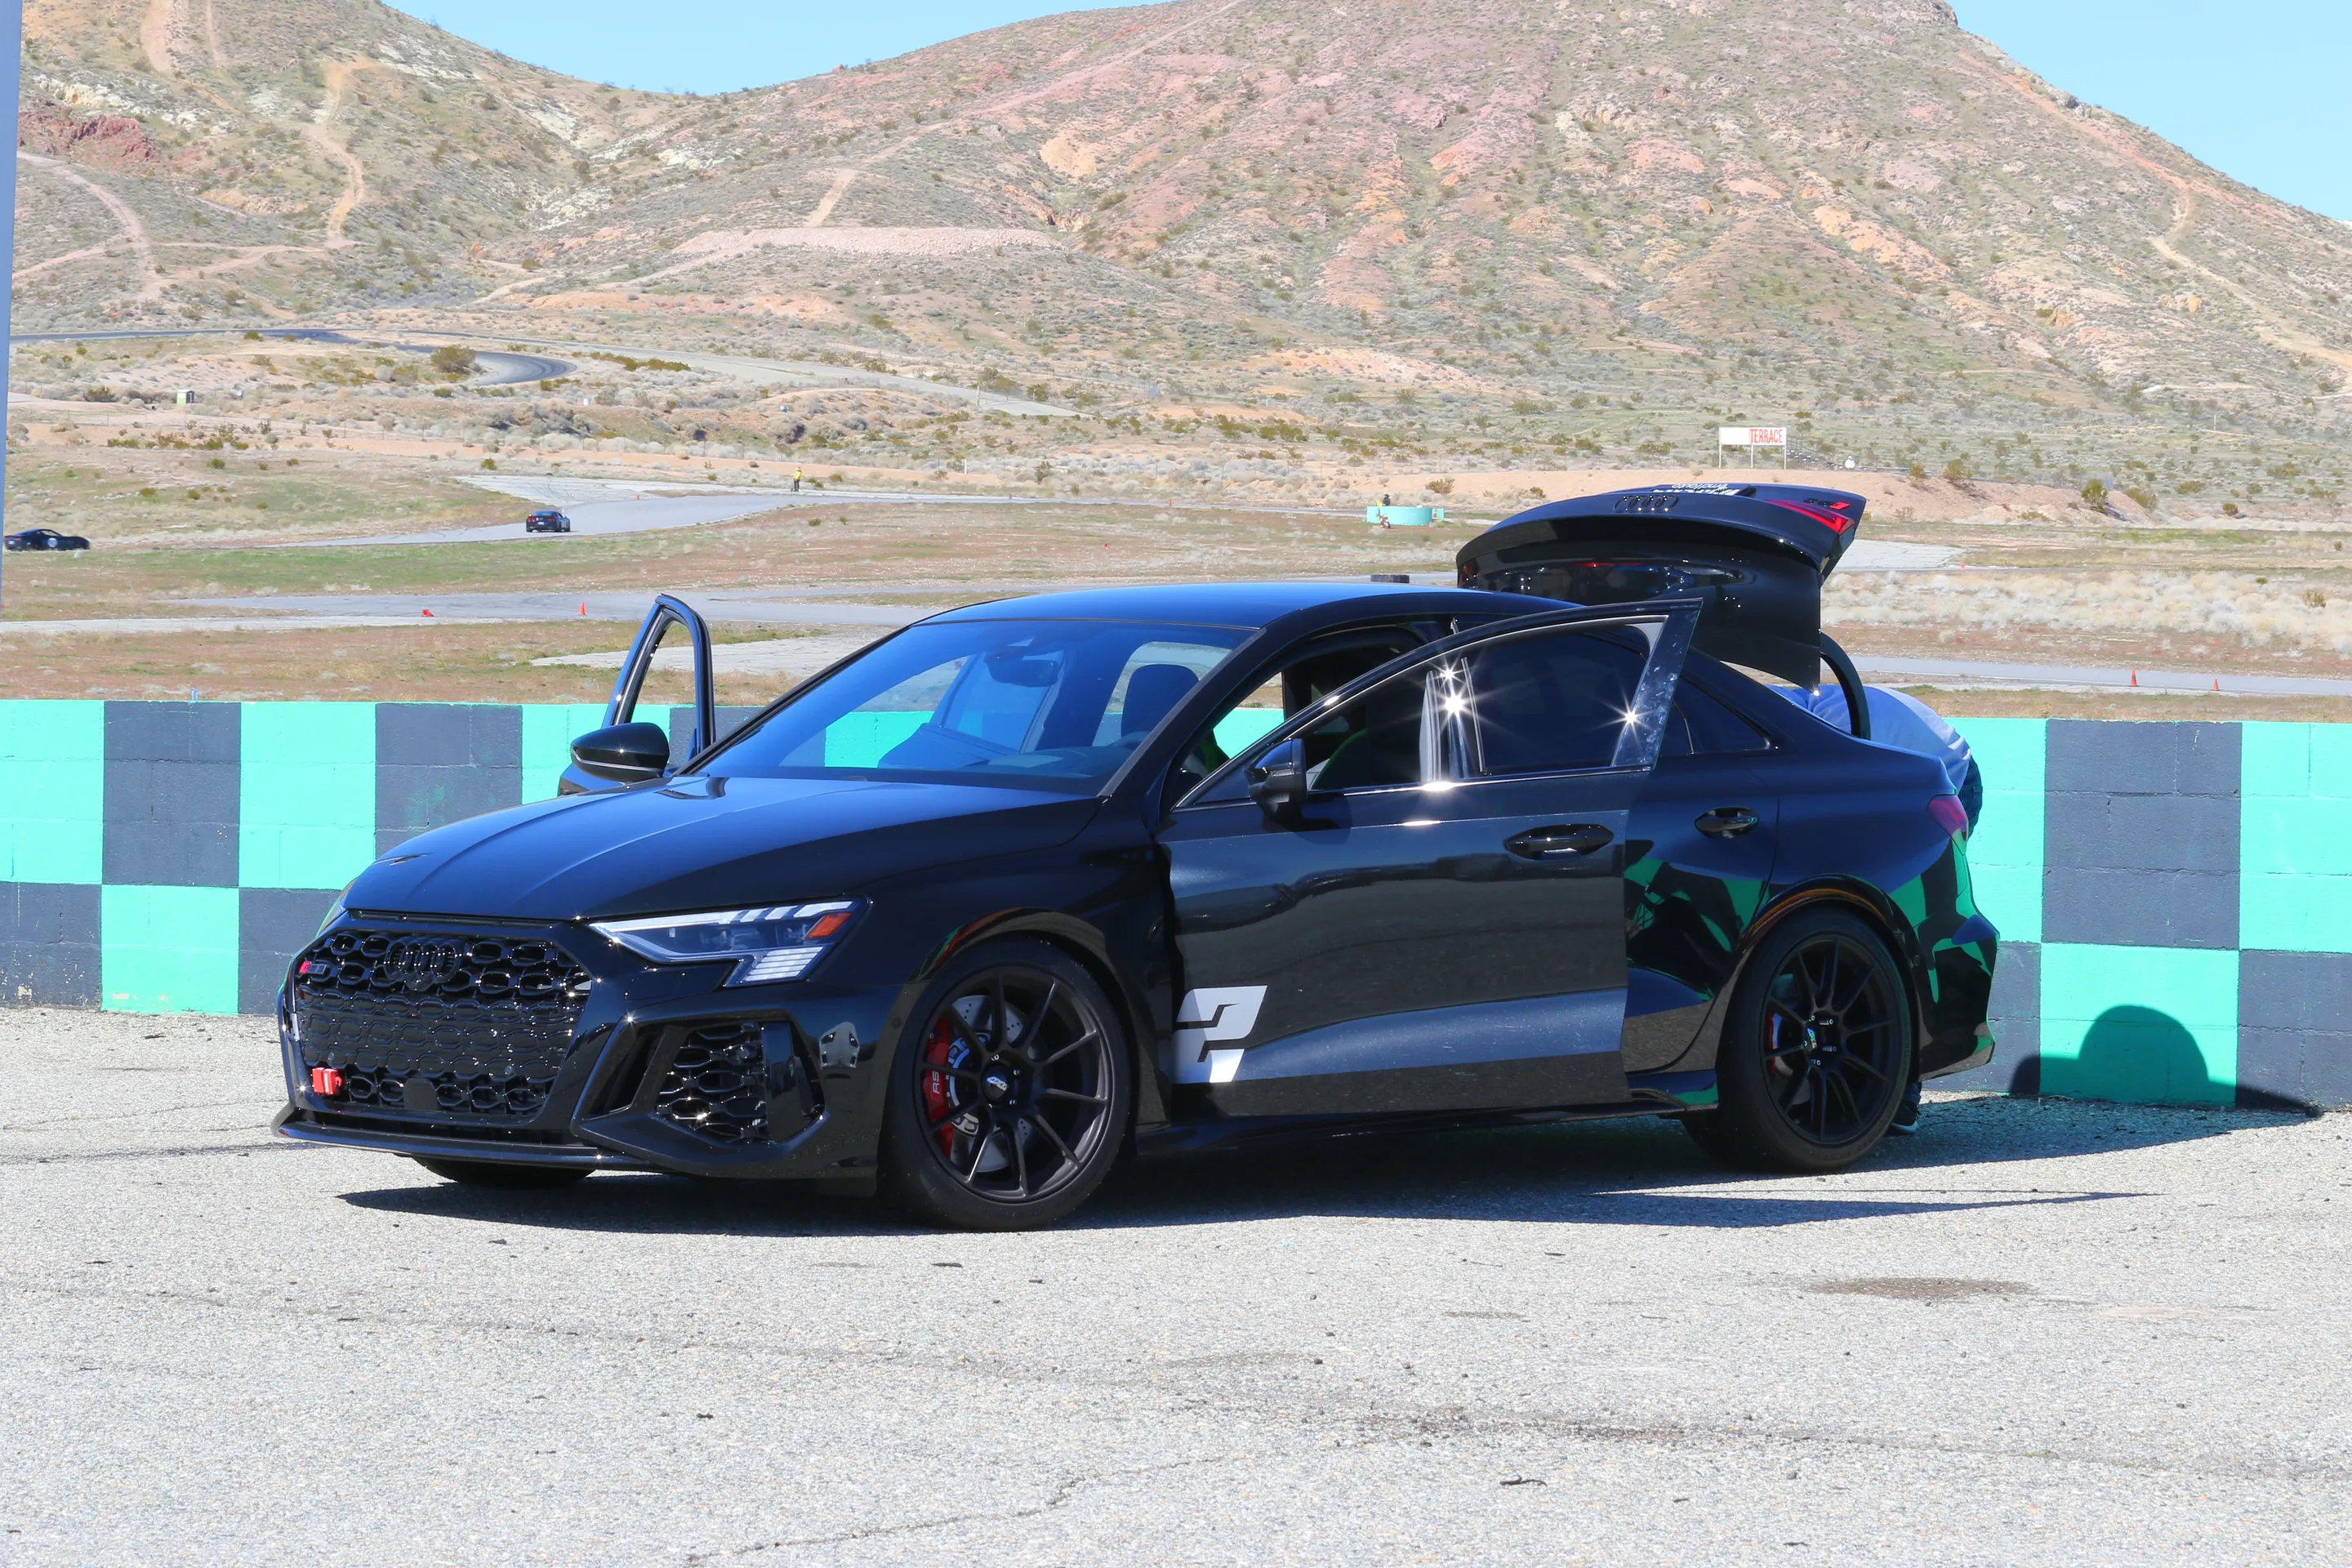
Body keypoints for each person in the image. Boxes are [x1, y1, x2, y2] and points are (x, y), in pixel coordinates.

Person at [1780, 681, 1982, 1136]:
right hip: (1890, 767)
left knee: (1906, 929)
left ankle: (1903, 1094)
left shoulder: (1807, 729)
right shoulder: (1782, 714)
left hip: (1950, 778)